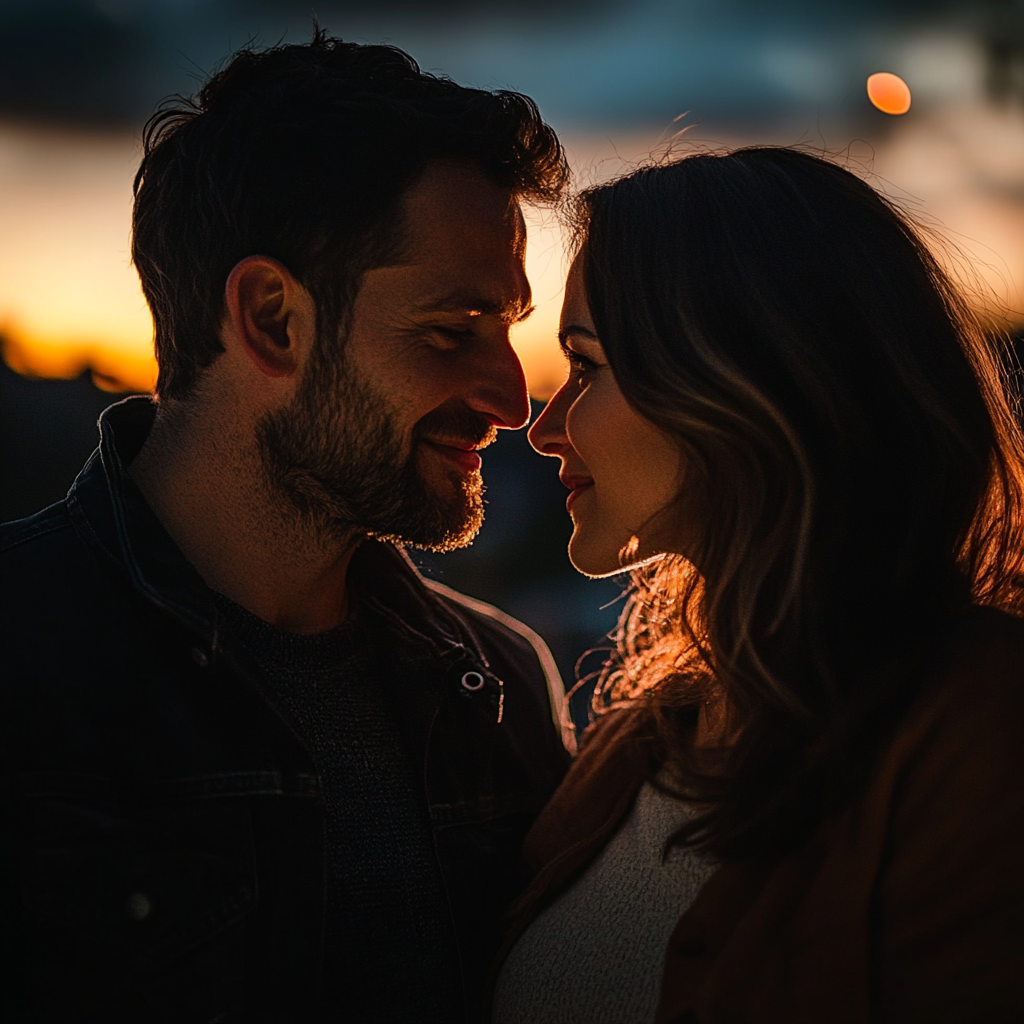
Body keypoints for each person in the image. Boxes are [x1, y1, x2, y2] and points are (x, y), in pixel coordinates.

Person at [0, 31, 575, 1024]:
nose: (512, 396)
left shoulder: (497, 689)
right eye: (453, 329)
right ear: (271, 318)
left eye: (512, 327)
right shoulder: (19, 660)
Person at [491, 147, 1024, 1023]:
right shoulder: (641, 743)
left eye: (584, 366)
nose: (543, 428)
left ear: (735, 379)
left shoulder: (976, 726)